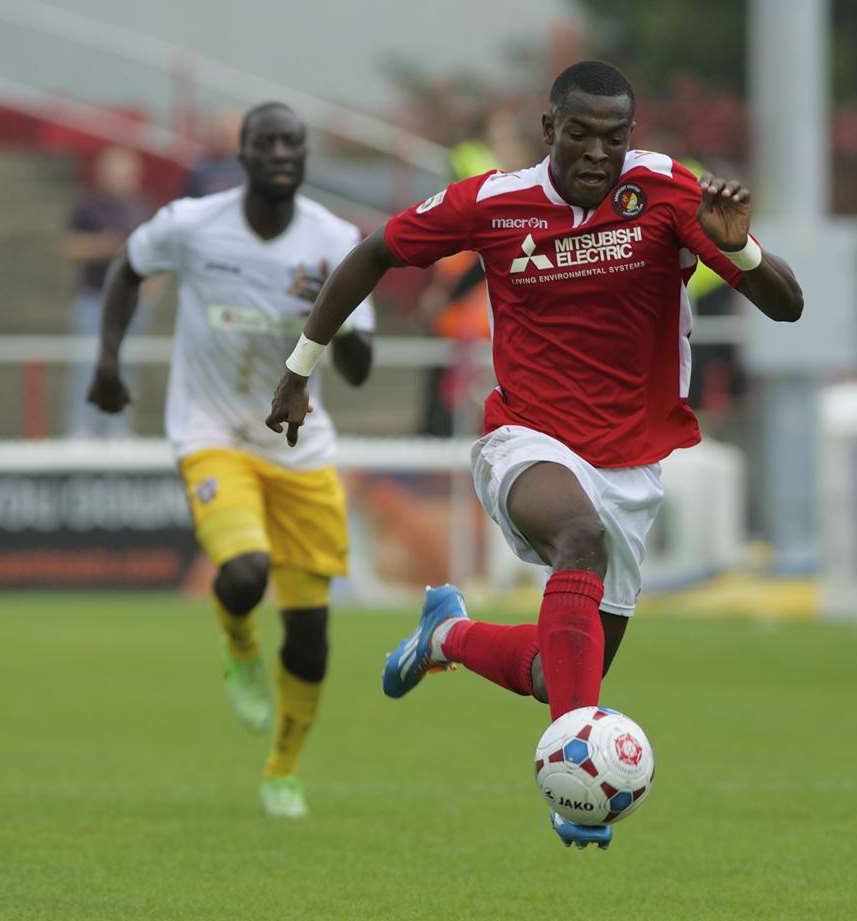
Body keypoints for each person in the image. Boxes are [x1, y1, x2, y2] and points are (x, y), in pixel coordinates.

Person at [267, 61, 802, 848]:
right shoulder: (493, 201)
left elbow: (786, 306)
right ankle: (572, 796)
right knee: (576, 539)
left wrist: (743, 254)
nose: (595, 153)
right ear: (548, 129)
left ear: (631, 137)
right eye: (578, 134)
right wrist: (299, 368)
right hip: (525, 439)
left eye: (612, 138)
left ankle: (446, 635)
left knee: (562, 675)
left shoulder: (666, 194)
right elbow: (373, 253)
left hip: (632, 464)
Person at [87, 102, 375, 818]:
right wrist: (108, 360)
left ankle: (282, 769)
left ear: (305, 157)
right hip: (210, 428)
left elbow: (362, 366)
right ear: (242, 154)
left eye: (293, 143)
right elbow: (125, 267)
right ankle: (239, 639)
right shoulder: (191, 223)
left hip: (299, 448)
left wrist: (336, 324)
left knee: (310, 637)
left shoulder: (335, 239)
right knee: (244, 573)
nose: (280, 152)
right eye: (266, 142)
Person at [63, 146, 151, 437]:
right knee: (87, 363)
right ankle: (82, 428)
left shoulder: (144, 209)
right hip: (94, 298)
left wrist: (150, 292)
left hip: (130, 302)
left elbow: (157, 259)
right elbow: (71, 246)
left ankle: (118, 428)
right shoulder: (86, 206)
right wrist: (104, 246)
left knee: (127, 366)